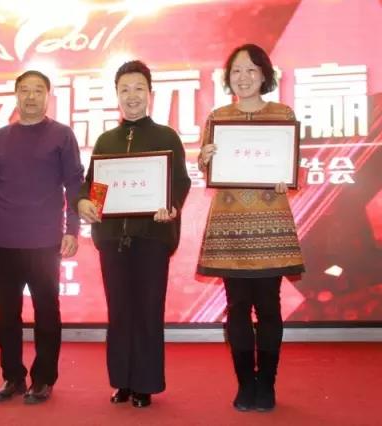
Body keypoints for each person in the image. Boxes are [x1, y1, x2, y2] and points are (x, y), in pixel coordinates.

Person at [196, 44, 305, 412]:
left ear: (264, 74)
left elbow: (294, 168)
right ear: (228, 78)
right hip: (229, 227)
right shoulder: (219, 117)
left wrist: (286, 178)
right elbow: (207, 168)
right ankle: (246, 384)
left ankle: (266, 384)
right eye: (236, 71)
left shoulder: (282, 114)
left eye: (251, 70)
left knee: (269, 307)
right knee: (238, 306)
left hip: (270, 227)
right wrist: (205, 158)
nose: (243, 77)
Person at [77, 60, 191, 408]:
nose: (132, 96)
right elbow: (94, 184)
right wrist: (85, 202)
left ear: (150, 93)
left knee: (148, 310)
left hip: (151, 237)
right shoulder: (106, 140)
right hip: (113, 239)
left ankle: (145, 383)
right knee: (120, 310)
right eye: (124, 89)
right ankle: (122, 381)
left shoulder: (166, 136)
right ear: (117, 95)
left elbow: (180, 181)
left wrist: (171, 205)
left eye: (139, 88)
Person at [0, 70, 84, 405]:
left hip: (45, 241)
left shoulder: (62, 135)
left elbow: (75, 185)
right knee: (6, 316)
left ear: (48, 96)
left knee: (47, 313)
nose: (31, 96)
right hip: (4, 240)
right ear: (16, 95)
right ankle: (13, 376)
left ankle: (43, 379)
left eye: (38, 90)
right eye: (24, 90)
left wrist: (72, 229)